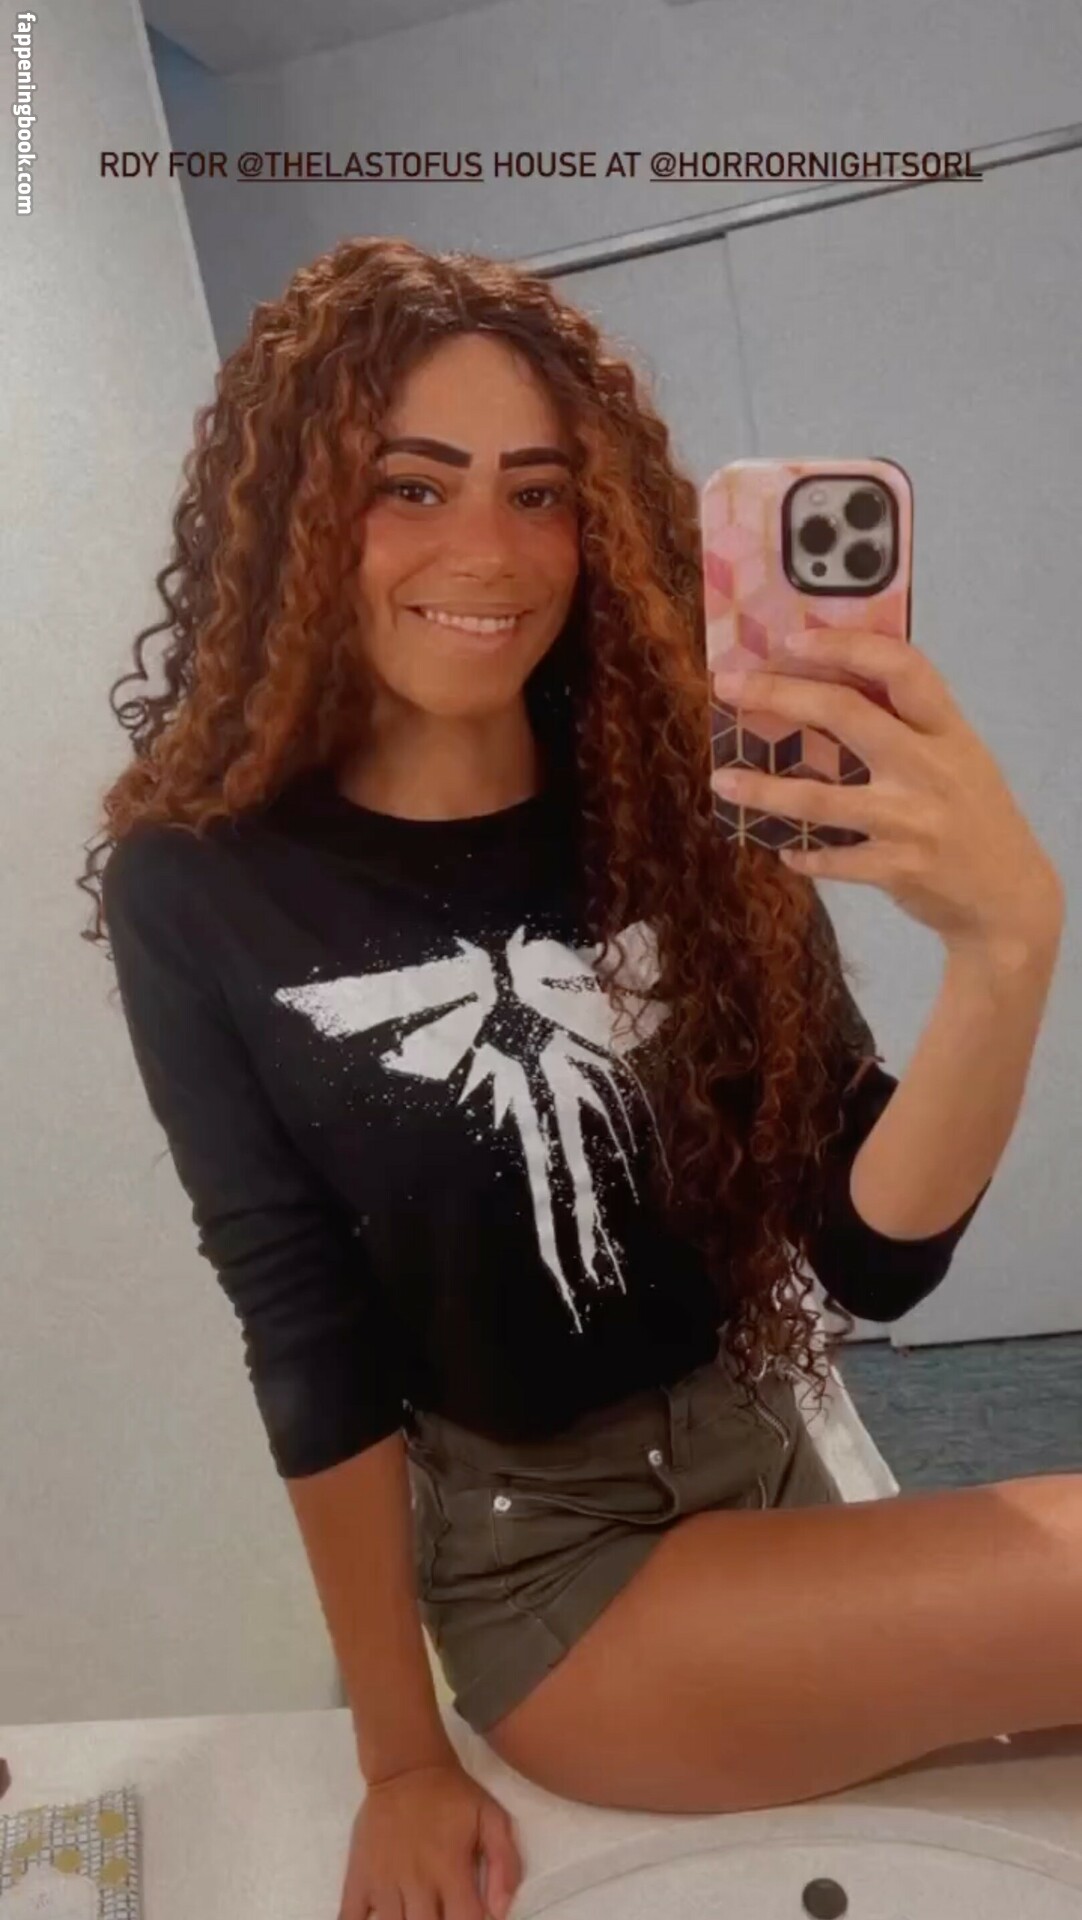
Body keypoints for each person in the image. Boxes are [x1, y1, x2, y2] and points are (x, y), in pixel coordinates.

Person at [80, 237, 1074, 1920]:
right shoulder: (201, 890)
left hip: (772, 1467)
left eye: (538, 493)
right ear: (296, 509)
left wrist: (1007, 953)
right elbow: (302, 1327)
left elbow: (868, 1253)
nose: (487, 549)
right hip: (557, 1571)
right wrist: (401, 1758)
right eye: (411, 484)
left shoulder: (685, 802)